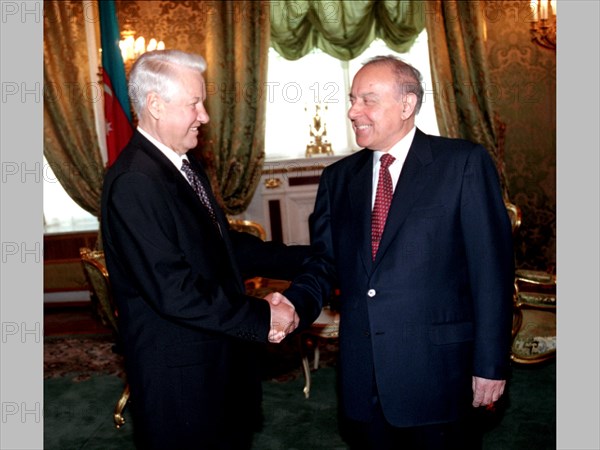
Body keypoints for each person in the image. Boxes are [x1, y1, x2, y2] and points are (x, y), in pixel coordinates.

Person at [283, 55, 515, 449]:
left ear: (407, 105)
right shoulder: (338, 179)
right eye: (353, 99)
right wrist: (293, 305)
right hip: (363, 377)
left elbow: (491, 272)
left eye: (367, 100)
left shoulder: (462, 163)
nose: (353, 111)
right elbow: (325, 265)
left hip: (440, 374)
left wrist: (490, 364)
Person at [100, 49, 316, 450]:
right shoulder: (135, 181)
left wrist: (306, 257)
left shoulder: (181, 165)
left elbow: (221, 247)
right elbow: (174, 290)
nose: (204, 116)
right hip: (181, 380)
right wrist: (263, 315)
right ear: (156, 105)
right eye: (195, 103)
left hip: (215, 361)